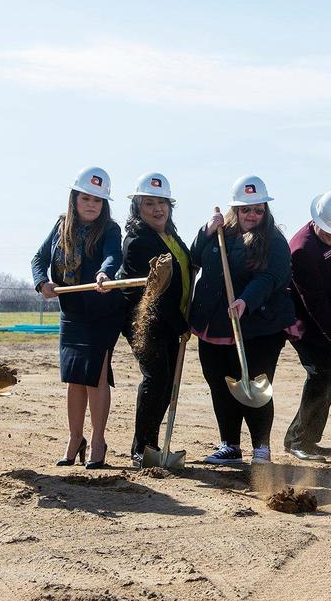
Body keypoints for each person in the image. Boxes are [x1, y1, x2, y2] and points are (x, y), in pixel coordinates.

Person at [190, 175, 294, 465]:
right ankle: (230, 445)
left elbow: (270, 277)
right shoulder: (219, 233)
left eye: (258, 210)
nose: (252, 216)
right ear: (235, 209)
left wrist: (246, 300)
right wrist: (205, 231)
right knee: (220, 383)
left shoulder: (274, 241)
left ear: (266, 211)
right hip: (214, 323)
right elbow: (193, 258)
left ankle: (261, 447)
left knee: (253, 384)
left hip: (257, 326)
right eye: (246, 209)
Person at [31, 167, 123, 469]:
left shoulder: (110, 229)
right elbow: (39, 259)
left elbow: (113, 256)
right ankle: (75, 438)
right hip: (71, 313)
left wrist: (103, 273)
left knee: (95, 377)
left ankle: (98, 441)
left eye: (97, 200)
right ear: (75, 199)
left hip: (101, 312)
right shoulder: (61, 226)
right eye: (86, 198)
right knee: (74, 379)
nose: (91, 205)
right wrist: (41, 283)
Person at [118, 173, 193, 468]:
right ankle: (142, 447)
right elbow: (155, 293)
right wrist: (182, 325)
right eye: (149, 203)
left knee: (168, 382)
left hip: (172, 322)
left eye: (162, 202)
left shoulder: (171, 236)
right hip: (146, 321)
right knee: (157, 378)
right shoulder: (138, 241)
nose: (157, 209)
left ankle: (151, 442)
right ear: (138, 207)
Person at [282, 191, 331, 462]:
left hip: (330, 317)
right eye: (328, 232)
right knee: (321, 374)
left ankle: (309, 438)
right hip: (303, 322)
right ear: (316, 220)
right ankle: (296, 440)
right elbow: (314, 302)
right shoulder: (301, 250)